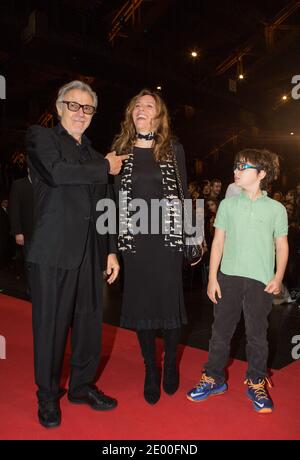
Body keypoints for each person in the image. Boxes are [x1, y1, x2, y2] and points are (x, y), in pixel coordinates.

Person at [25, 80, 128, 428]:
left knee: (89, 324)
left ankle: (82, 387)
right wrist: (105, 168)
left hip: (89, 253)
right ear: (58, 107)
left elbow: (104, 207)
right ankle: (47, 396)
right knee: (51, 327)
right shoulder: (42, 138)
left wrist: (111, 251)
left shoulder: (97, 157)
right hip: (52, 251)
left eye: (87, 108)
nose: (80, 114)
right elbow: (56, 175)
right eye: (73, 105)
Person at [187, 149, 288, 414]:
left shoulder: (276, 209)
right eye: (236, 165)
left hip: (260, 282)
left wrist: (278, 277)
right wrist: (212, 277)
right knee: (220, 333)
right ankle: (213, 378)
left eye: (244, 166)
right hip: (228, 277)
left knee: (257, 336)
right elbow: (218, 241)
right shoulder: (228, 205)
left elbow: (282, 245)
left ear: (262, 174)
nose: (237, 170)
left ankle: (256, 381)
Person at [112, 89, 189, 405]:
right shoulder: (120, 151)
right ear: (131, 114)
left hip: (167, 241)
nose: (142, 110)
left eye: (149, 106)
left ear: (159, 116)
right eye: (137, 106)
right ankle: (150, 369)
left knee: (168, 305)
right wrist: (112, 248)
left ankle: (170, 360)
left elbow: (183, 195)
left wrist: (191, 240)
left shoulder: (173, 150)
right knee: (143, 306)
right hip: (136, 244)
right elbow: (112, 202)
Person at [8, 168, 34, 295]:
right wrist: (17, 232)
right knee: (30, 263)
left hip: (46, 233)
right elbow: (14, 210)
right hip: (27, 233)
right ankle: (32, 293)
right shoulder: (18, 185)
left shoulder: (45, 184)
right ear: (28, 169)